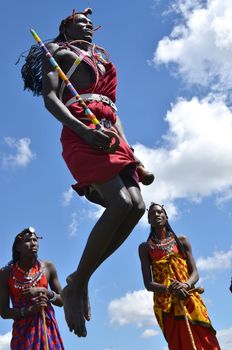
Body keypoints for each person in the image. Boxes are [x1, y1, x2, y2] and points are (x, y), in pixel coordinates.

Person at [21, 8, 150, 337]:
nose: (89, 27)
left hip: (109, 133)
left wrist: (132, 154)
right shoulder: (59, 54)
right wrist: (83, 129)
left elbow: (113, 110)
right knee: (120, 203)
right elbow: (51, 99)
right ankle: (78, 284)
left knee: (136, 206)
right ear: (66, 26)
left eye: (91, 23)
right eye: (82, 22)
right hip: (81, 133)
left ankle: (79, 278)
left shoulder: (104, 62)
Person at [139, 203, 221, 350]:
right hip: (166, 302)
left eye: (159, 212)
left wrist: (185, 286)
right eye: (152, 214)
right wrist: (170, 289)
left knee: (207, 338)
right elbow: (148, 283)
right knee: (178, 343)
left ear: (166, 216)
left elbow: (195, 273)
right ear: (149, 220)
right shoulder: (145, 248)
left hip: (188, 296)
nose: (156, 215)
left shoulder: (181, 241)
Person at [0, 227, 64, 349]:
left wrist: (45, 292)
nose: (33, 243)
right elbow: (3, 312)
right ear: (18, 247)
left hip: (48, 329)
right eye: (28, 240)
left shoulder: (48, 267)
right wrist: (30, 310)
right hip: (23, 333)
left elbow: (63, 301)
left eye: (35, 240)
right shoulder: (6, 273)